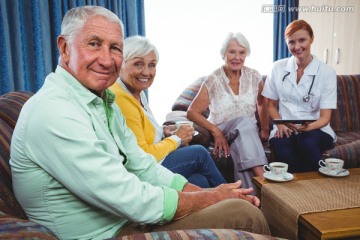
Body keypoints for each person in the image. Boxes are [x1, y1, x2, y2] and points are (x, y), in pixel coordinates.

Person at [9, 6, 270, 240]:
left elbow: (143, 166)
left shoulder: (103, 101)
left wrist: (212, 195)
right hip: (108, 231)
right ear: (65, 48)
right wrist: (210, 197)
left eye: (115, 48)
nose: (106, 59)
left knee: (233, 203)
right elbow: (129, 197)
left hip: (125, 218)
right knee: (244, 215)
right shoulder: (55, 110)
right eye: (93, 44)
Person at [109, 36, 226, 188]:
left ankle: (224, 206)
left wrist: (164, 131)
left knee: (200, 180)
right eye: (138, 64)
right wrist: (177, 138)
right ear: (121, 64)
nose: (146, 72)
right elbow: (143, 155)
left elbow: (139, 131)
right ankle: (236, 197)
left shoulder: (137, 92)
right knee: (199, 153)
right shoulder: (121, 98)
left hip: (153, 162)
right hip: (143, 171)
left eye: (151, 65)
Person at [187, 32, 269, 190]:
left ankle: (250, 198)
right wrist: (216, 131)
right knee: (245, 122)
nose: (237, 57)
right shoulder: (214, 79)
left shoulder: (254, 76)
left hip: (247, 134)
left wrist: (265, 127)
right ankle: (263, 177)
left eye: (242, 52)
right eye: (232, 52)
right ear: (223, 54)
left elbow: (262, 102)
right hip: (223, 129)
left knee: (243, 141)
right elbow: (192, 112)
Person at [261, 19, 337, 173]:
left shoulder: (326, 72)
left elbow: (325, 117)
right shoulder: (278, 67)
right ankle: (292, 193)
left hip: (317, 129)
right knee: (282, 147)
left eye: (302, 40)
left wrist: (309, 127)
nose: (297, 47)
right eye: (291, 42)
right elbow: (270, 105)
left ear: (312, 39)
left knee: (306, 142)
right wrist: (280, 125)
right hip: (285, 128)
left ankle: (313, 189)